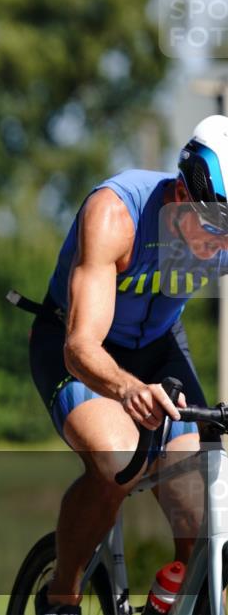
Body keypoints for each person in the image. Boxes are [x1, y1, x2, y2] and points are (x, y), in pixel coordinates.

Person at [26, 114, 228, 614]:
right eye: (212, 228)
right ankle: (62, 594)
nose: (216, 247)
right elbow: (82, 348)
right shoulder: (116, 214)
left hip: (158, 346)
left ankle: (178, 596)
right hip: (76, 344)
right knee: (118, 462)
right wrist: (128, 390)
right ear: (181, 192)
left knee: (207, 512)